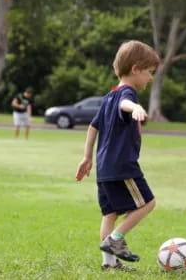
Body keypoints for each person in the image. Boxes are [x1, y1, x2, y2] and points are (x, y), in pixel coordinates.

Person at [75, 40, 159, 271]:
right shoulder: (126, 93)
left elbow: (93, 127)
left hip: (104, 167)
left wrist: (87, 157)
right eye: (149, 73)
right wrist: (136, 108)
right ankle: (115, 239)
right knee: (148, 203)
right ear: (135, 69)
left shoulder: (108, 97)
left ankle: (109, 264)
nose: (150, 78)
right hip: (123, 166)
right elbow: (126, 103)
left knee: (109, 213)